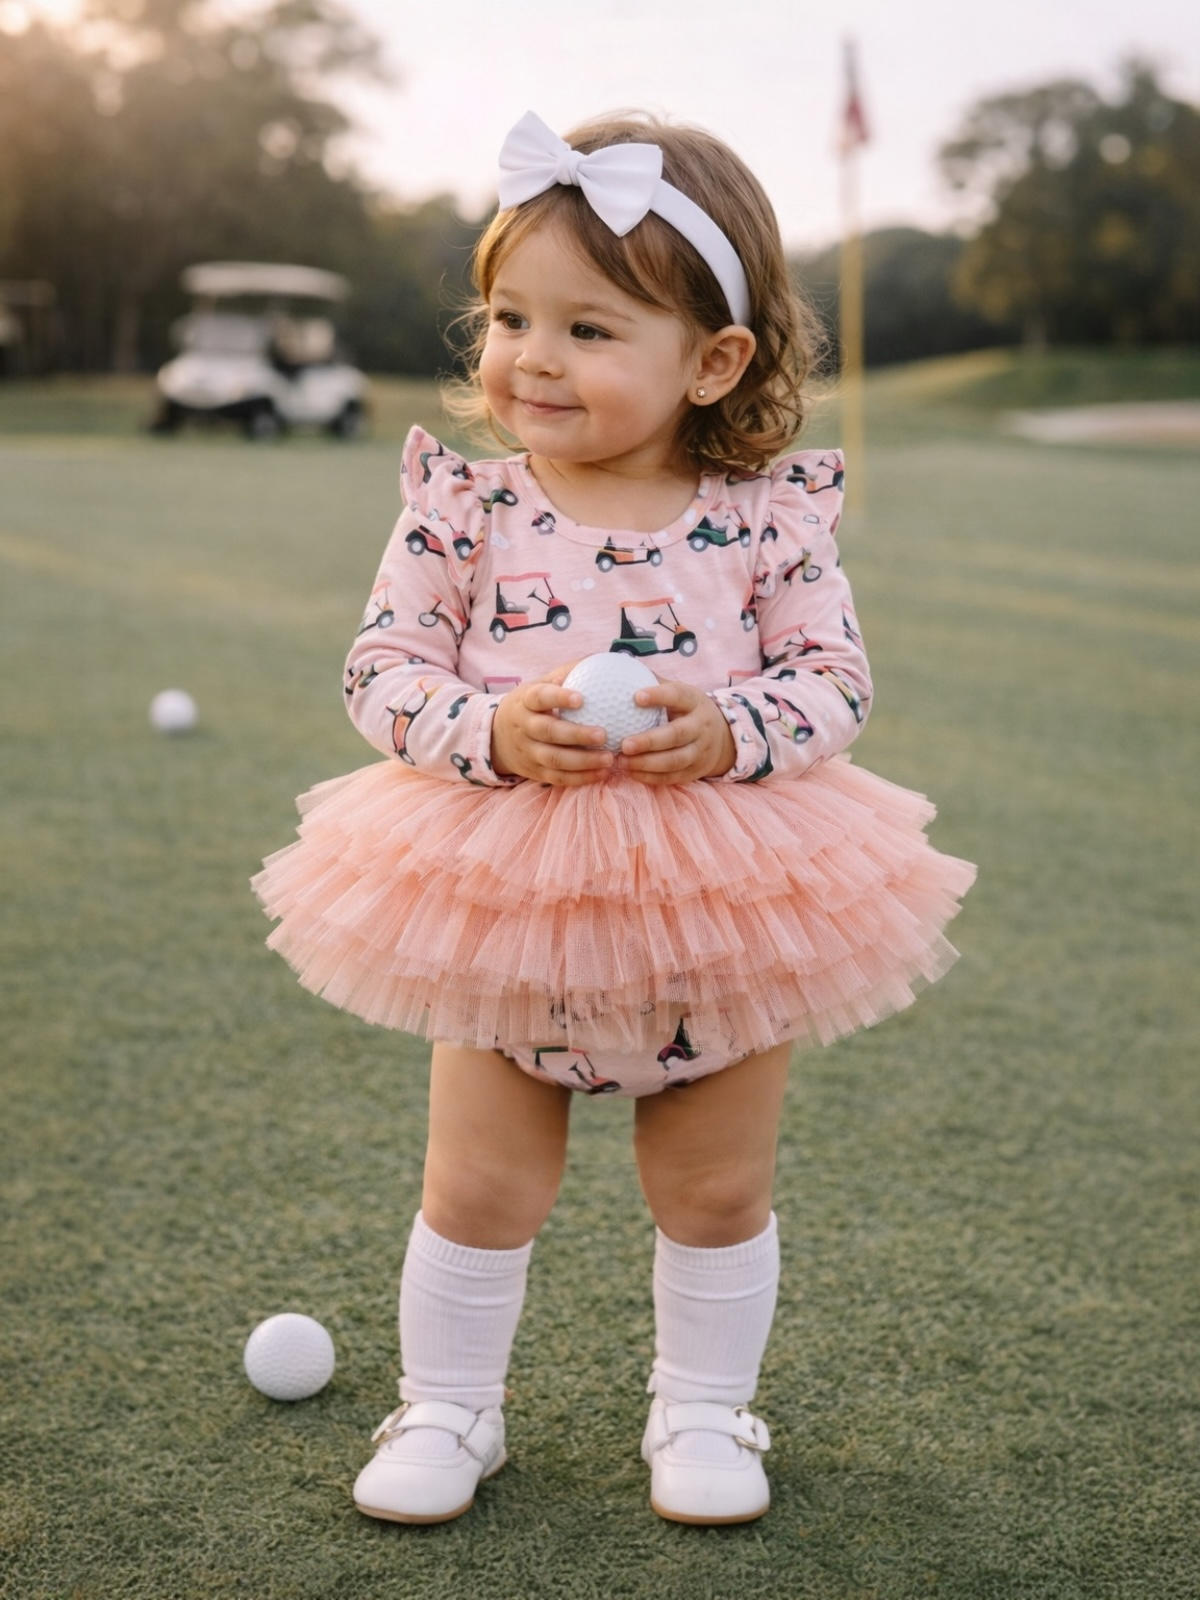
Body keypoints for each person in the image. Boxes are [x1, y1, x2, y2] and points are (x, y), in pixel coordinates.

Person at [253, 109, 974, 1528]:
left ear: (713, 362)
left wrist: (735, 728)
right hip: (510, 899)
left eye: (589, 329)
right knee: (478, 1183)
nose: (532, 356)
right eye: (512, 317)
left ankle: (703, 1412)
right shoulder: (465, 510)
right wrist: (488, 731)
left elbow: (834, 680)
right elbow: (381, 670)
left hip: (722, 903)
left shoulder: (764, 520)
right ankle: (449, 1407)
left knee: (714, 1187)